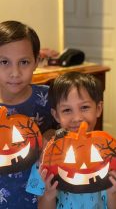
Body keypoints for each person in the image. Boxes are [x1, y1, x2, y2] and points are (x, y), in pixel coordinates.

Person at [26, 72, 116, 209]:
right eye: (67, 110)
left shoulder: (113, 150)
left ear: (98, 108)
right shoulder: (47, 155)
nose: (77, 118)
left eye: (84, 107)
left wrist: (112, 192)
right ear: (56, 115)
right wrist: (49, 194)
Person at [0, 20, 57, 208]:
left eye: (23, 62)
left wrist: (51, 135)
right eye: (4, 62)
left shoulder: (48, 97)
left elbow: (66, 130)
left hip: (39, 198)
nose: (15, 73)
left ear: (36, 62)